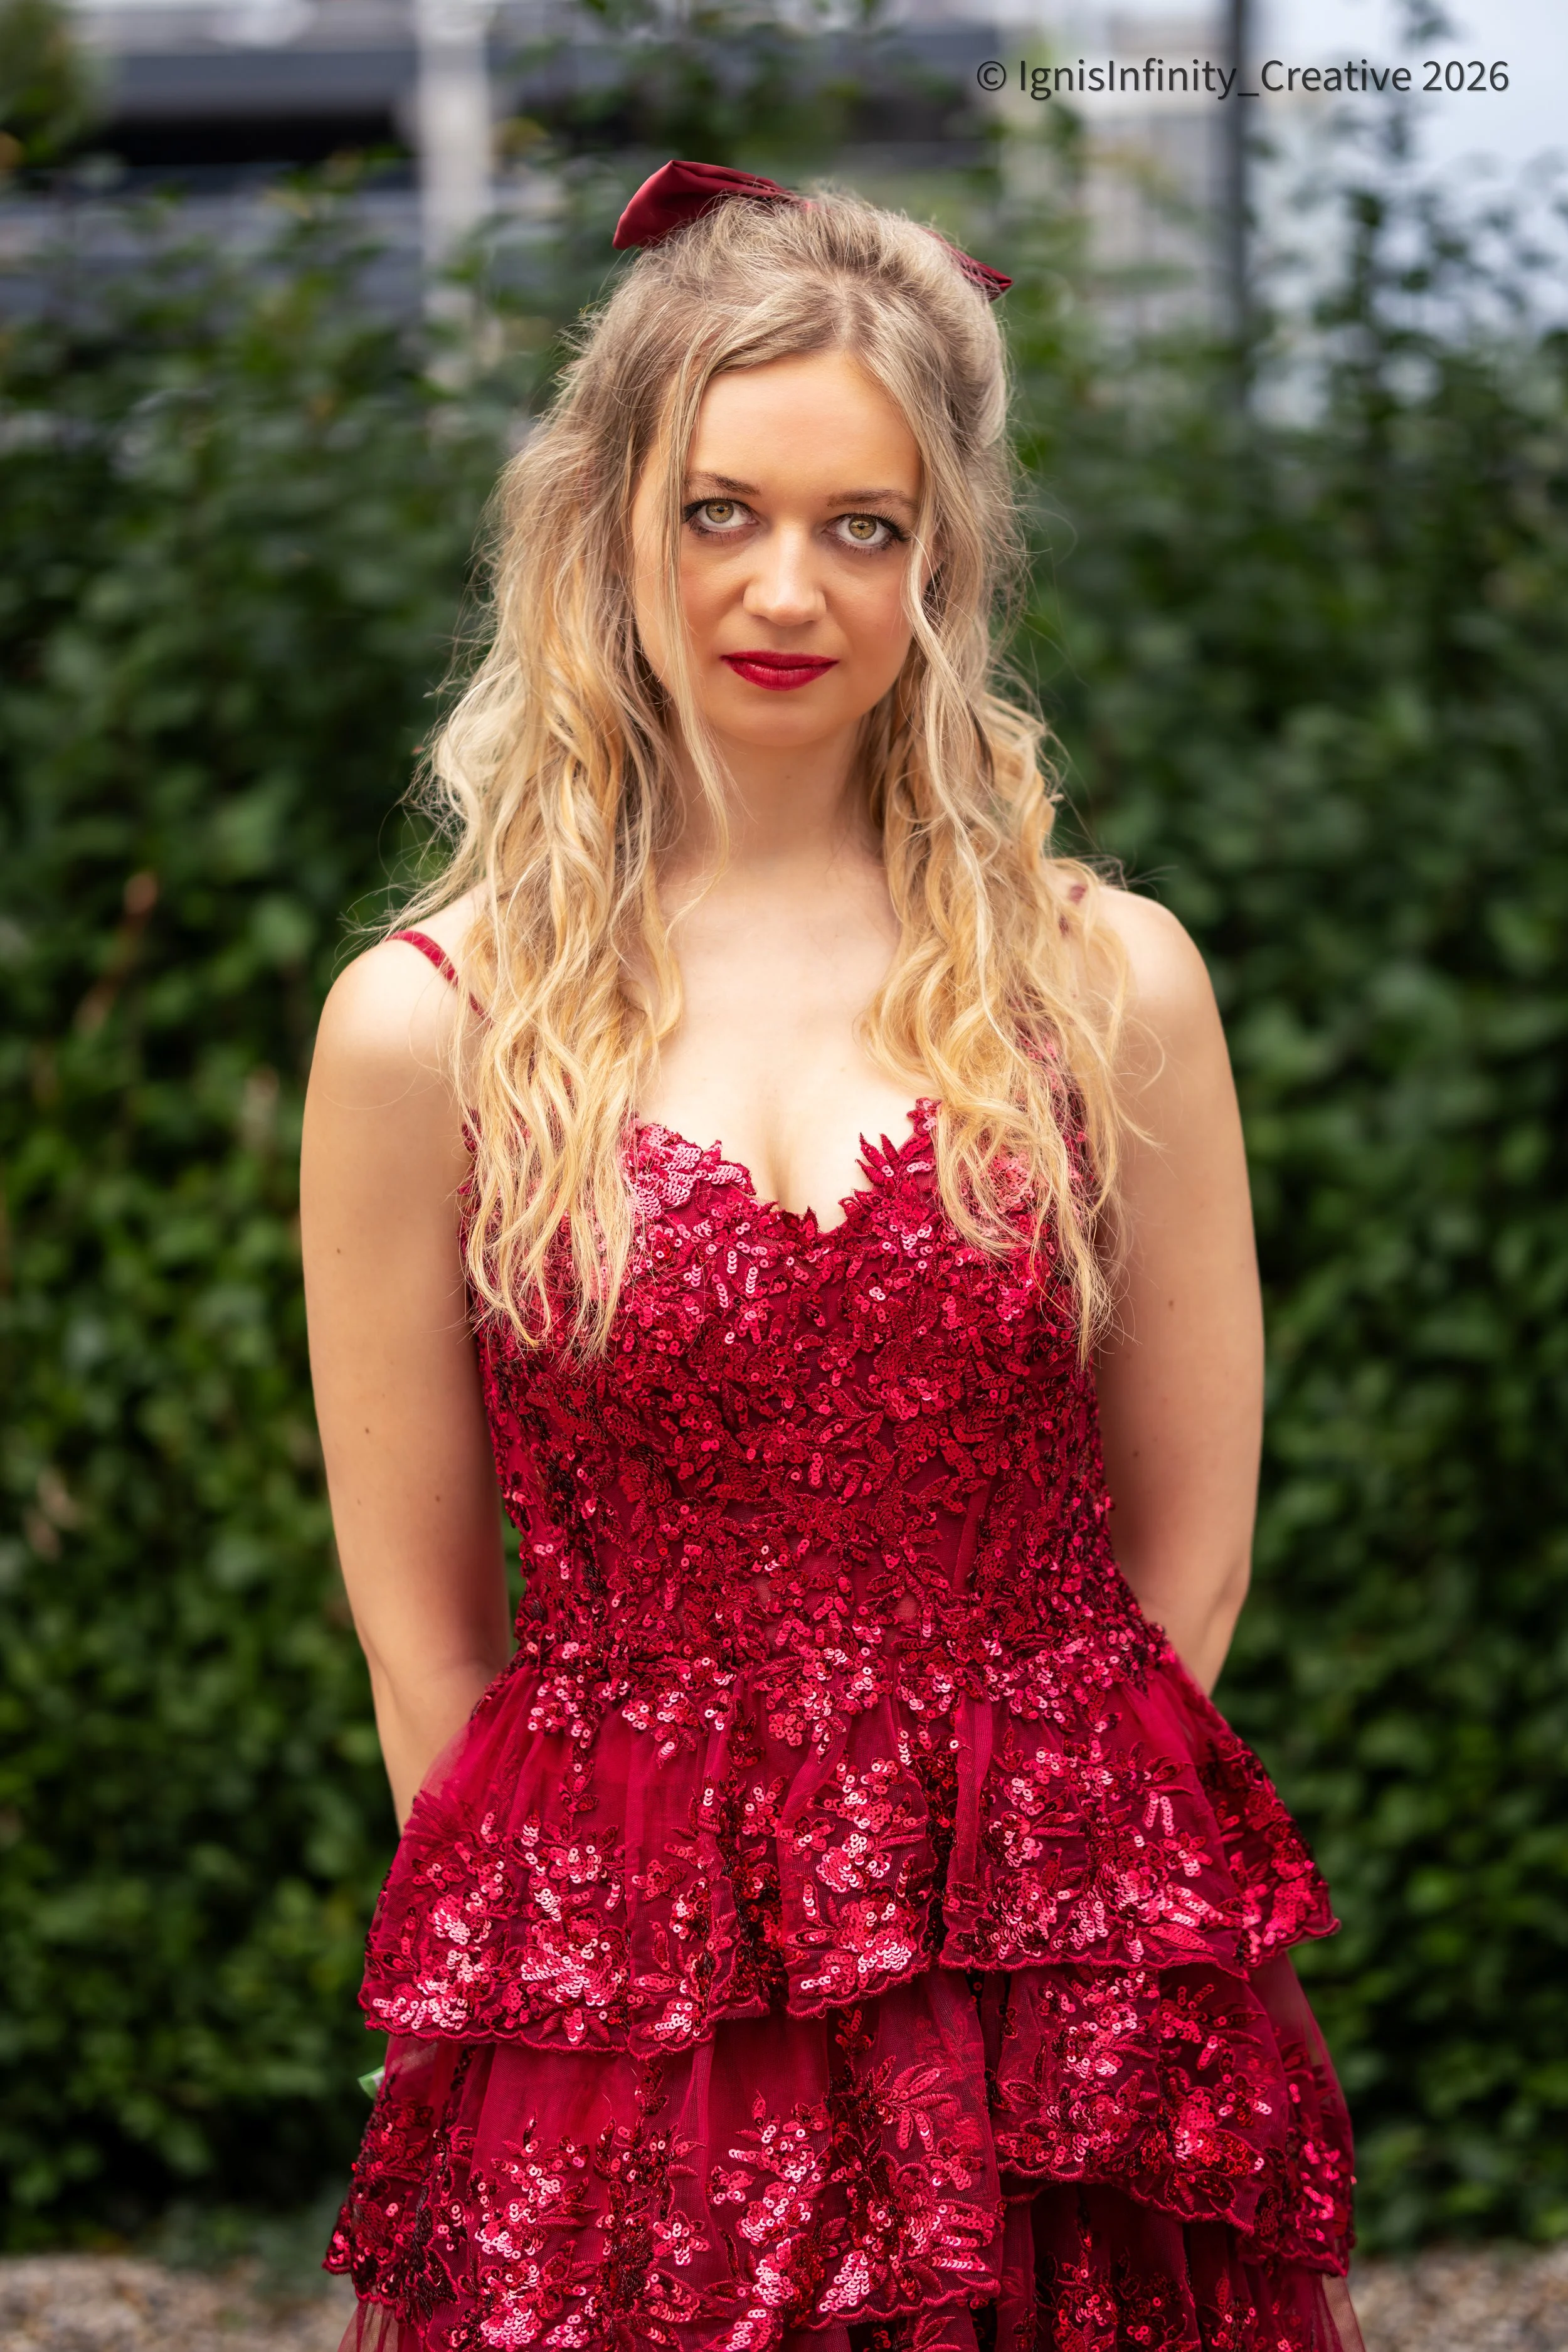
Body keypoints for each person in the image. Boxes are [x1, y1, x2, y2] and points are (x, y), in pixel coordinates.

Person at [301, 161, 1364, 2352]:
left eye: (860, 526)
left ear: (941, 560)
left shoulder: (1105, 985)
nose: (785, 587)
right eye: (720, 510)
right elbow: (425, 1646)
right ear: (606, 521)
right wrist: (582, 2027)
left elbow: (1189, 1558)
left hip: (1052, 2000)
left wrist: (1051, 1947)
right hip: (627, 2007)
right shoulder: (429, 1026)